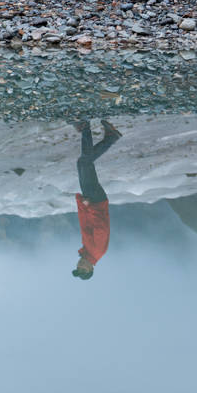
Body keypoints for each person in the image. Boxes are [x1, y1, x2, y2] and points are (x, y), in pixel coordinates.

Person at [72, 118, 120, 280]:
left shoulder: (88, 250)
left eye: (77, 268)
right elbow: (100, 226)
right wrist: (89, 205)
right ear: (90, 268)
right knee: (85, 162)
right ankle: (85, 128)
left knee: (83, 163)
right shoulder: (97, 251)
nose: (79, 266)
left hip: (92, 202)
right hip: (95, 202)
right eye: (82, 269)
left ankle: (111, 137)